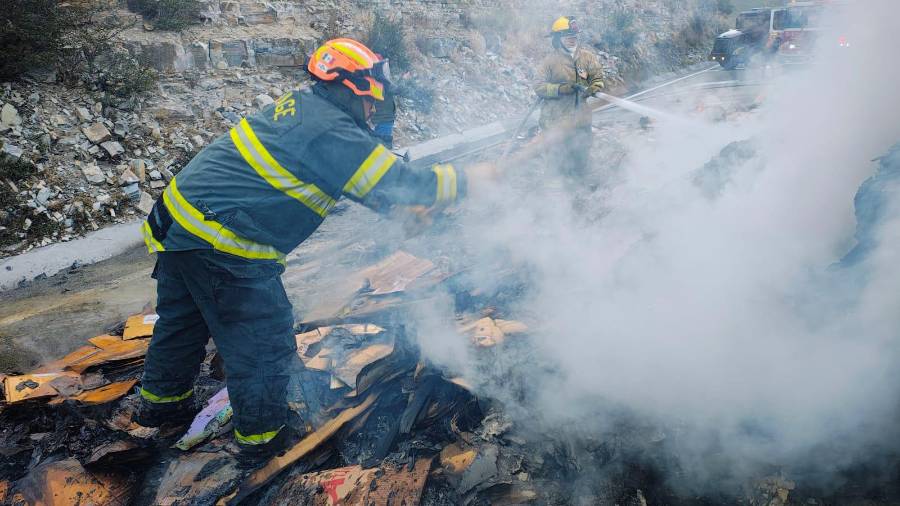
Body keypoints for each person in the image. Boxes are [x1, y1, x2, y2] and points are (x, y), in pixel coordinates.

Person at [134, 37, 480, 468]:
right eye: (374, 95)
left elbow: (375, 191)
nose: (376, 106)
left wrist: (404, 211)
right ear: (357, 88)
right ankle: (262, 443)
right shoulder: (332, 130)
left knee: (181, 324)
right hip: (222, 243)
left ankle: (161, 409)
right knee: (262, 342)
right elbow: (408, 186)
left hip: (177, 224)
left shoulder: (303, 109)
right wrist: (473, 180)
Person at [533, 16, 605, 180]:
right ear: (558, 39)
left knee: (581, 156)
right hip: (555, 120)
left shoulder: (587, 57)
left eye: (574, 37)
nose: (572, 40)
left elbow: (598, 77)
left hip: (581, 119)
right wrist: (562, 89)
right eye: (567, 37)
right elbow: (538, 86)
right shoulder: (550, 62)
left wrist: (595, 86)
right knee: (557, 160)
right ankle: (556, 197)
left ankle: (579, 192)